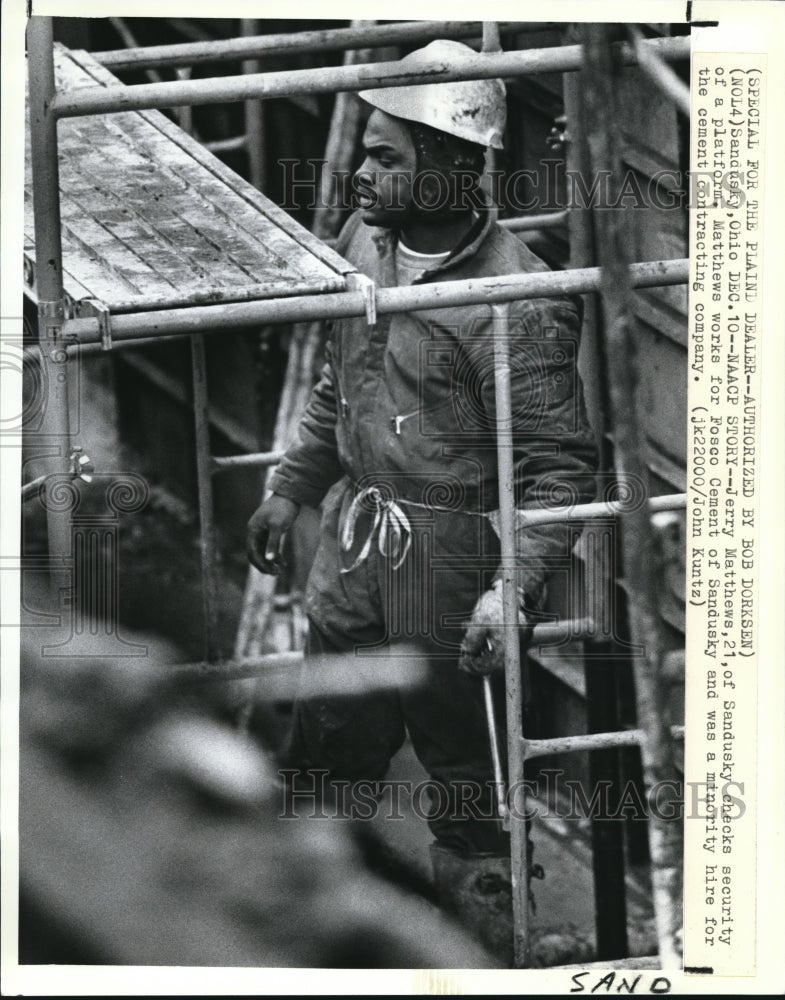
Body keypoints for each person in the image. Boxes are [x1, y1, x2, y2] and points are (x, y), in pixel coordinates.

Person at [247, 39, 598, 964]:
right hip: (354, 553)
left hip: (450, 568)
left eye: (384, 157)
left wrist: (508, 588)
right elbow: (339, 380)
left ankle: (490, 939)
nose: (359, 173)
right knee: (325, 751)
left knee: (468, 779)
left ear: (449, 166)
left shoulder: (513, 301)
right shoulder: (363, 242)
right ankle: (287, 930)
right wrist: (292, 487)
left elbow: (560, 468)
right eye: (361, 149)